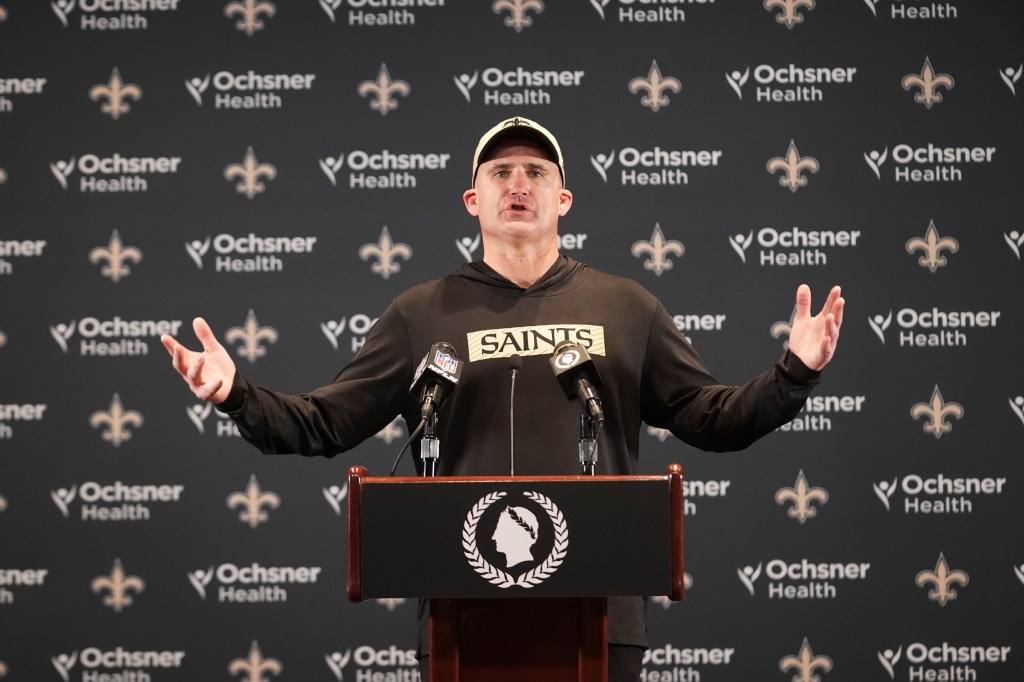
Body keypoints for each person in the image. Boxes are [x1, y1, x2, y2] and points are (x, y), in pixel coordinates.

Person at [161, 116, 844, 681]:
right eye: (500, 174)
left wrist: (793, 374)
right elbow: (323, 422)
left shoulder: (626, 306)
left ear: (564, 200)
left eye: (537, 173)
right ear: (473, 200)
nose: (519, 185)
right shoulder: (419, 313)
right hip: (464, 612)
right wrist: (234, 394)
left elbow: (710, 417)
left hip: (600, 615)